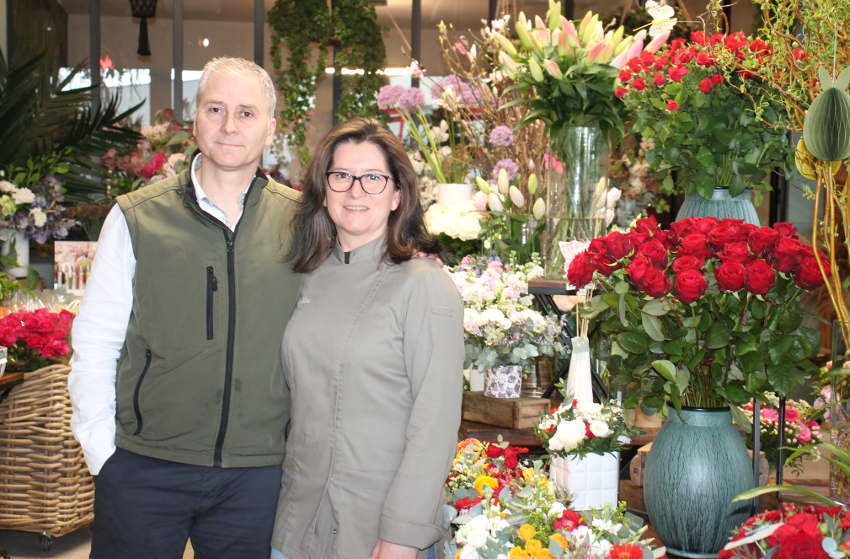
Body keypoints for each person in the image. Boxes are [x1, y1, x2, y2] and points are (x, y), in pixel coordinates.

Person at [68, 57, 302, 558]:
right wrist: (101, 453)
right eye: (215, 108)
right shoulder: (137, 217)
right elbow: (96, 340)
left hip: (258, 472)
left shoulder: (303, 222)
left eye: (246, 112)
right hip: (145, 465)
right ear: (195, 119)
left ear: (271, 127)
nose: (228, 125)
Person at [270, 118, 463, 559]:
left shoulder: (424, 285)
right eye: (341, 176)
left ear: (398, 194)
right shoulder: (307, 277)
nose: (355, 191)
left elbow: (434, 424)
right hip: (296, 519)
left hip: (378, 528)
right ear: (323, 190)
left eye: (373, 178)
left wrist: (403, 533)